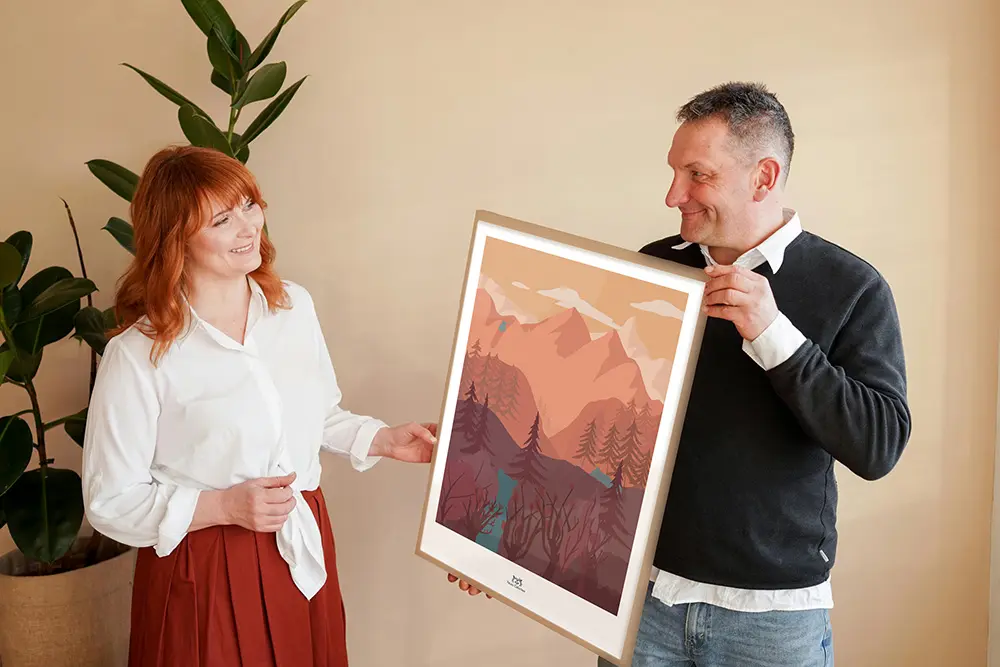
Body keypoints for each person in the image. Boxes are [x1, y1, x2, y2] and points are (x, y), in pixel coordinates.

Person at [456, 82, 912, 666]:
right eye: (674, 172)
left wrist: (774, 334)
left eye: (697, 175)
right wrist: (496, 543)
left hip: (772, 624)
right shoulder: (653, 266)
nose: (674, 195)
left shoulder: (852, 287)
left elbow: (878, 447)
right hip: (641, 603)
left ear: (764, 177)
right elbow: (572, 418)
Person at [81, 145, 437, 667]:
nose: (248, 227)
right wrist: (222, 507)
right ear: (174, 239)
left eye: (250, 205)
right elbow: (110, 500)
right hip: (202, 564)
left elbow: (316, 415)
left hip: (300, 539)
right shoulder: (137, 355)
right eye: (223, 219)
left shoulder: (293, 308)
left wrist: (382, 439)